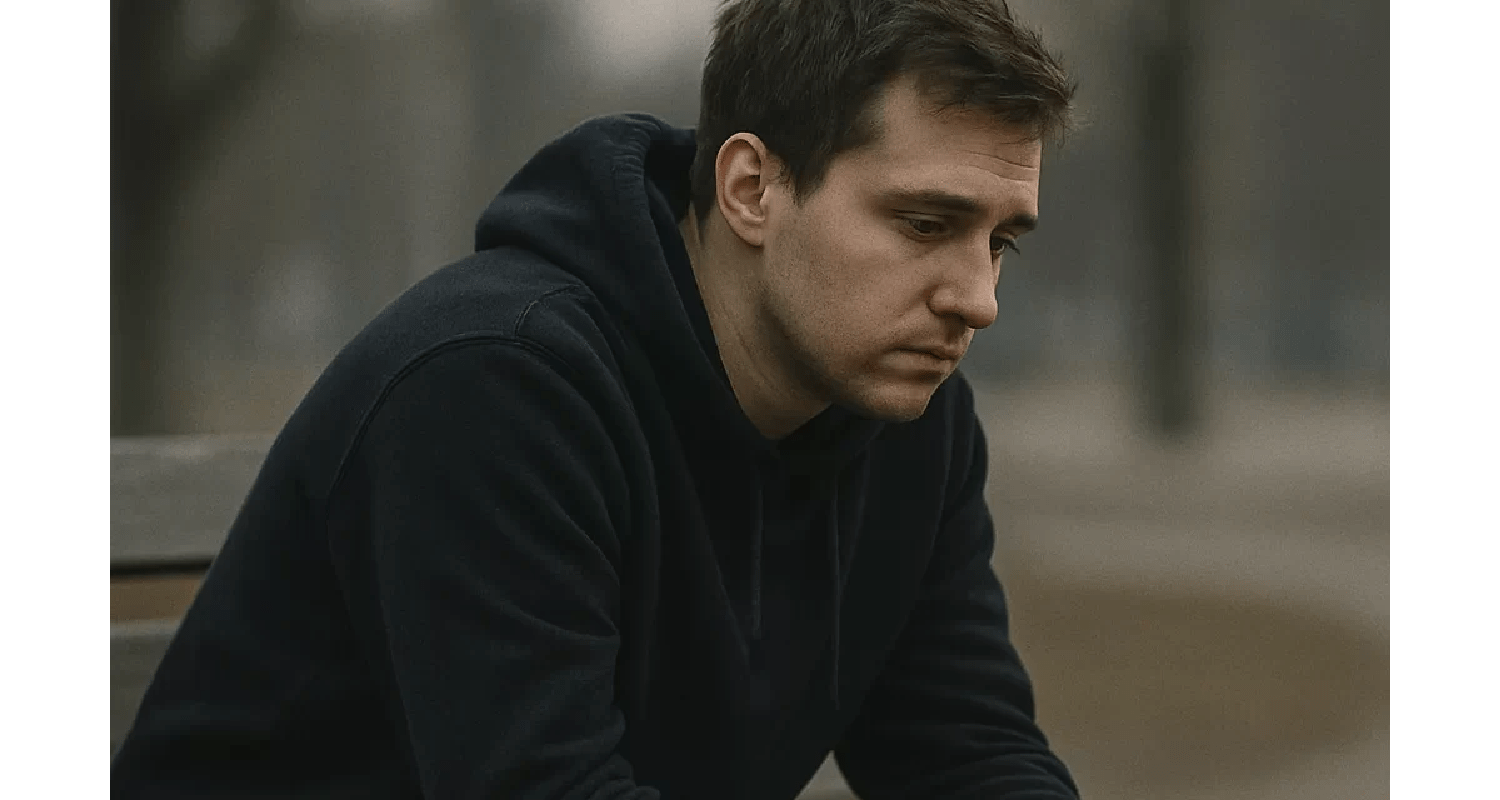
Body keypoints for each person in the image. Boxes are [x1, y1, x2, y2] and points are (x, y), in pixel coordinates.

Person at [111, 0, 1080, 797]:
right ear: (752, 188)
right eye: (925, 223)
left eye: (999, 242)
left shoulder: (909, 419)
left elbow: (969, 752)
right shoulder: (493, 386)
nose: (978, 298)